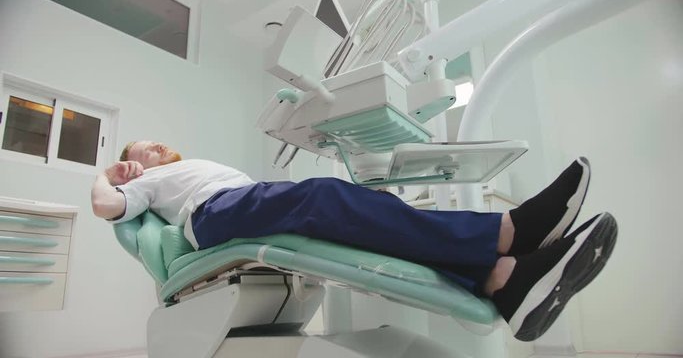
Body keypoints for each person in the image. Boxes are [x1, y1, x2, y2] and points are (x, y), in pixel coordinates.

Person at [91, 141, 617, 342]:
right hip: (214, 216)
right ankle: (507, 233)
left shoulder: (190, 164)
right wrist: (109, 173)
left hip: (243, 201)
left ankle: (503, 280)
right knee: (325, 196)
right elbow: (104, 206)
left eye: (155, 144)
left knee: (350, 207)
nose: (154, 148)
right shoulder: (142, 182)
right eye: (144, 148)